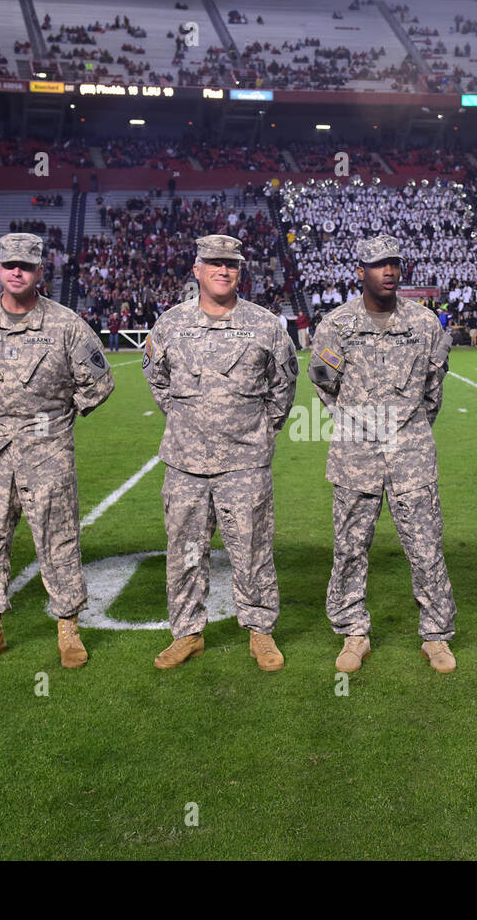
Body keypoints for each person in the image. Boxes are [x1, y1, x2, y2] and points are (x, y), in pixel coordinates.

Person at [0, 233, 115, 670]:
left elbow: (100, 382)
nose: (17, 271)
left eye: (26, 266)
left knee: (58, 541)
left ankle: (67, 628)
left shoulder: (66, 325)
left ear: (39, 271)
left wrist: (58, 419)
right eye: (9, 264)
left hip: (48, 454)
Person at [143, 235, 298, 672]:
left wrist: (261, 431)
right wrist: (185, 422)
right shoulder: (170, 324)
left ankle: (260, 632)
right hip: (185, 464)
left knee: (253, 550)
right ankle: (187, 634)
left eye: (231, 264)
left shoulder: (266, 325)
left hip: (245, 463)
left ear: (240, 271)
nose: (223, 270)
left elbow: (283, 387)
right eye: (213, 262)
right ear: (197, 269)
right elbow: (158, 383)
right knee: (185, 551)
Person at [308, 234, 457, 674]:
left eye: (394, 263)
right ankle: (354, 631)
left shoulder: (425, 324)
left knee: (426, 546)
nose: (388, 271)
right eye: (378, 265)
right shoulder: (335, 326)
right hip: (356, 455)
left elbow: (433, 389)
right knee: (350, 546)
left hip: (412, 452)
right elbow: (324, 385)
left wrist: (406, 428)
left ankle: (436, 635)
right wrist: (361, 425)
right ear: (360, 272)